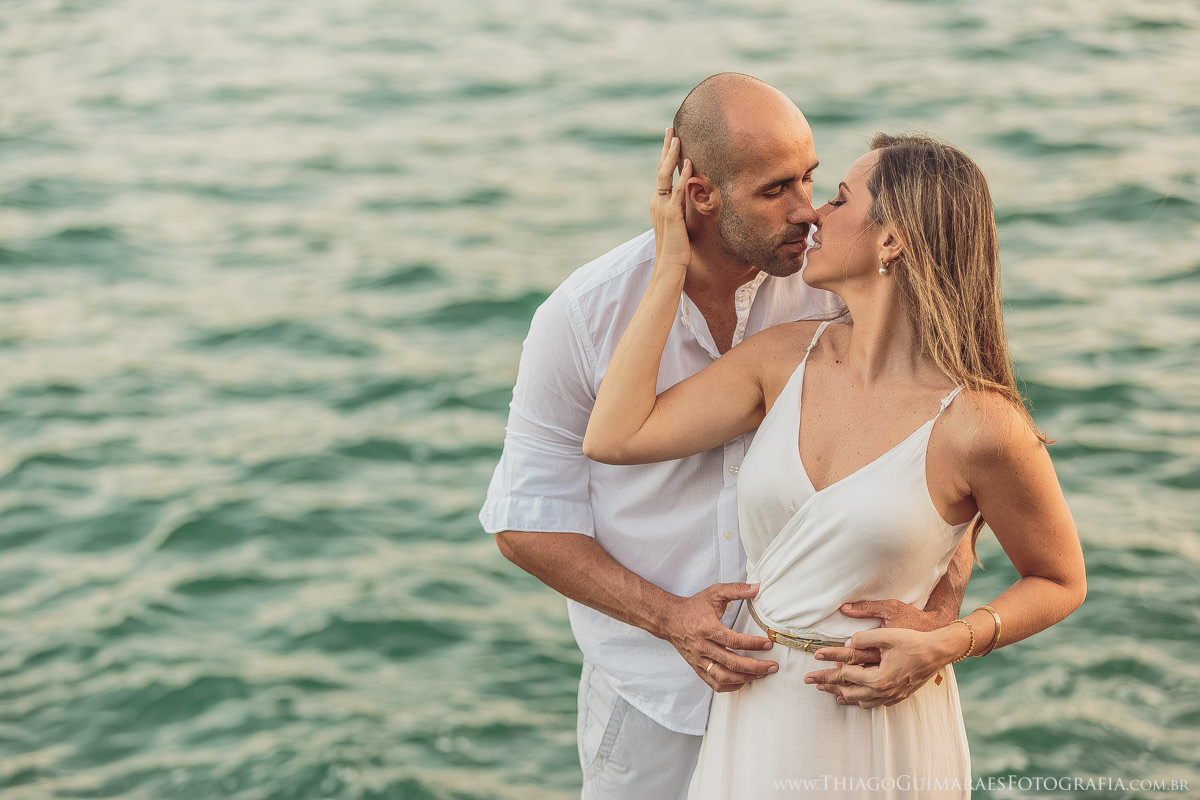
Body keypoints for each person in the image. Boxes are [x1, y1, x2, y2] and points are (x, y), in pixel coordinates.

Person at [479, 73, 976, 800]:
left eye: (811, 180)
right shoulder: (581, 318)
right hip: (655, 702)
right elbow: (525, 522)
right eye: (776, 190)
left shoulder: (840, 286)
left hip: (821, 694)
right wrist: (672, 621)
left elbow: (946, 441)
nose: (807, 212)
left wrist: (940, 619)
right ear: (699, 193)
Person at [582, 130, 1087, 798]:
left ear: (892, 240)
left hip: (882, 727)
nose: (815, 213)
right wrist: (669, 265)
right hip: (756, 714)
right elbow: (615, 434)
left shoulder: (981, 426)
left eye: (841, 199)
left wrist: (953, 641)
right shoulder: (783, 358)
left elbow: (1059, 579)